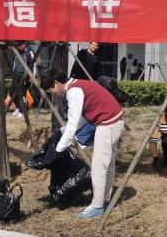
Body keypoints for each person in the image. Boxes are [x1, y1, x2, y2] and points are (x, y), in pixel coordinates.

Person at [43, 69, 125, 219]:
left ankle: (97, 206)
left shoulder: (73, 92)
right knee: (107, 165)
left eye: (51, 89)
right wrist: (63, 130)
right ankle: (105, 200)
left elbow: (73, 124)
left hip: (108, 124)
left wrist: (58, 150)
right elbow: (84, 116)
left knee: (99, 168)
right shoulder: (78, 84)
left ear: (56, 83)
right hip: (114, 121)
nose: (52, 93)